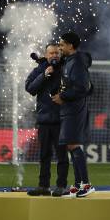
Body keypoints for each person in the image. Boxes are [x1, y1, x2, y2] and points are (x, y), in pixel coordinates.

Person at [51, 31, 94, 198]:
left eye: (62, 44)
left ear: (70, 45)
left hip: (75, 109)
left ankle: (86, 184)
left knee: (74, 145)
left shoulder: (76, 62)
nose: (60, 47)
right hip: (69, 109)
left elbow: (83, 87)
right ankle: (77, 185)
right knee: (70, 146)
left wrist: (63, 96)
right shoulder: (69, 61)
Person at [24, 42, 68, 196]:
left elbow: (75, 88)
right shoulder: (39, 69)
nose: (55, 55)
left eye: (57, 53)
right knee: (44, 155)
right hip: (44, 121)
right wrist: (44, 75)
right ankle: (43, 186)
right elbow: (29, 88)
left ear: (60, 54)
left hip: (61, 120)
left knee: (62, 155)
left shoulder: (65, 68)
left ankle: (61, 185)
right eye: (51, 53)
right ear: (46, 54)